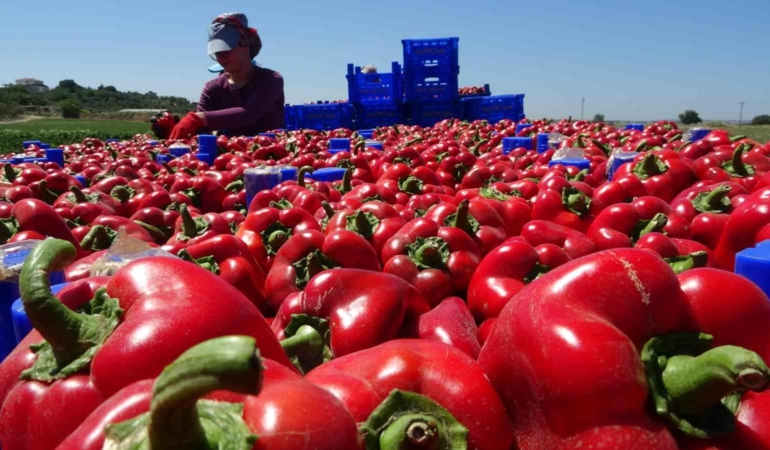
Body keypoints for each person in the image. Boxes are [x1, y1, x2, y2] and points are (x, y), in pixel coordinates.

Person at [165, 13, 285, 140]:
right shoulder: (213, 88)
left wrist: (198, 119)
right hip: (229, 157)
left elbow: (248, 114)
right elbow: (201, 129)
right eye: (216, 52)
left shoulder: (270, 80)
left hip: (271, 153)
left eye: (226, 49)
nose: (221, 57)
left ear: (245, 43)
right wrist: (174, 129)